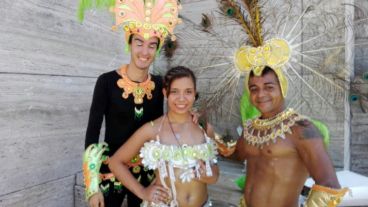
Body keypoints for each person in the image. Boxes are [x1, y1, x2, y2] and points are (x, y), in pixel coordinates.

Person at [80, 0, 181, 206]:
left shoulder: (159, 84)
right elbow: (92, 134)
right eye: (139, 43)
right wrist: (92, 188)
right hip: (110, 172)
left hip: (145, 175)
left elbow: (161, 128)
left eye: (152, 45)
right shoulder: (106, 82)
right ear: (129, 42)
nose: (145, 52)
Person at [232, 66, 348, 207]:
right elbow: (236, 155)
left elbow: (329, 185)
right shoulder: (250, 129)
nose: (261, 94)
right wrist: (209, 137)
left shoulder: (301, 128)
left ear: (283, 87)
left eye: (269, 87)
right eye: (254, 88)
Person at [108, 66, 219, 207]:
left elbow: (214, 168)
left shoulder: (205, 129)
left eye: (188, 92)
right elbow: (115, 162)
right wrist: (142, 192)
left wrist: (211, 176)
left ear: (194, 94)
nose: (182, 98)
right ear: (165, 93)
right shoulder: (153, 130)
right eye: (175, 92)